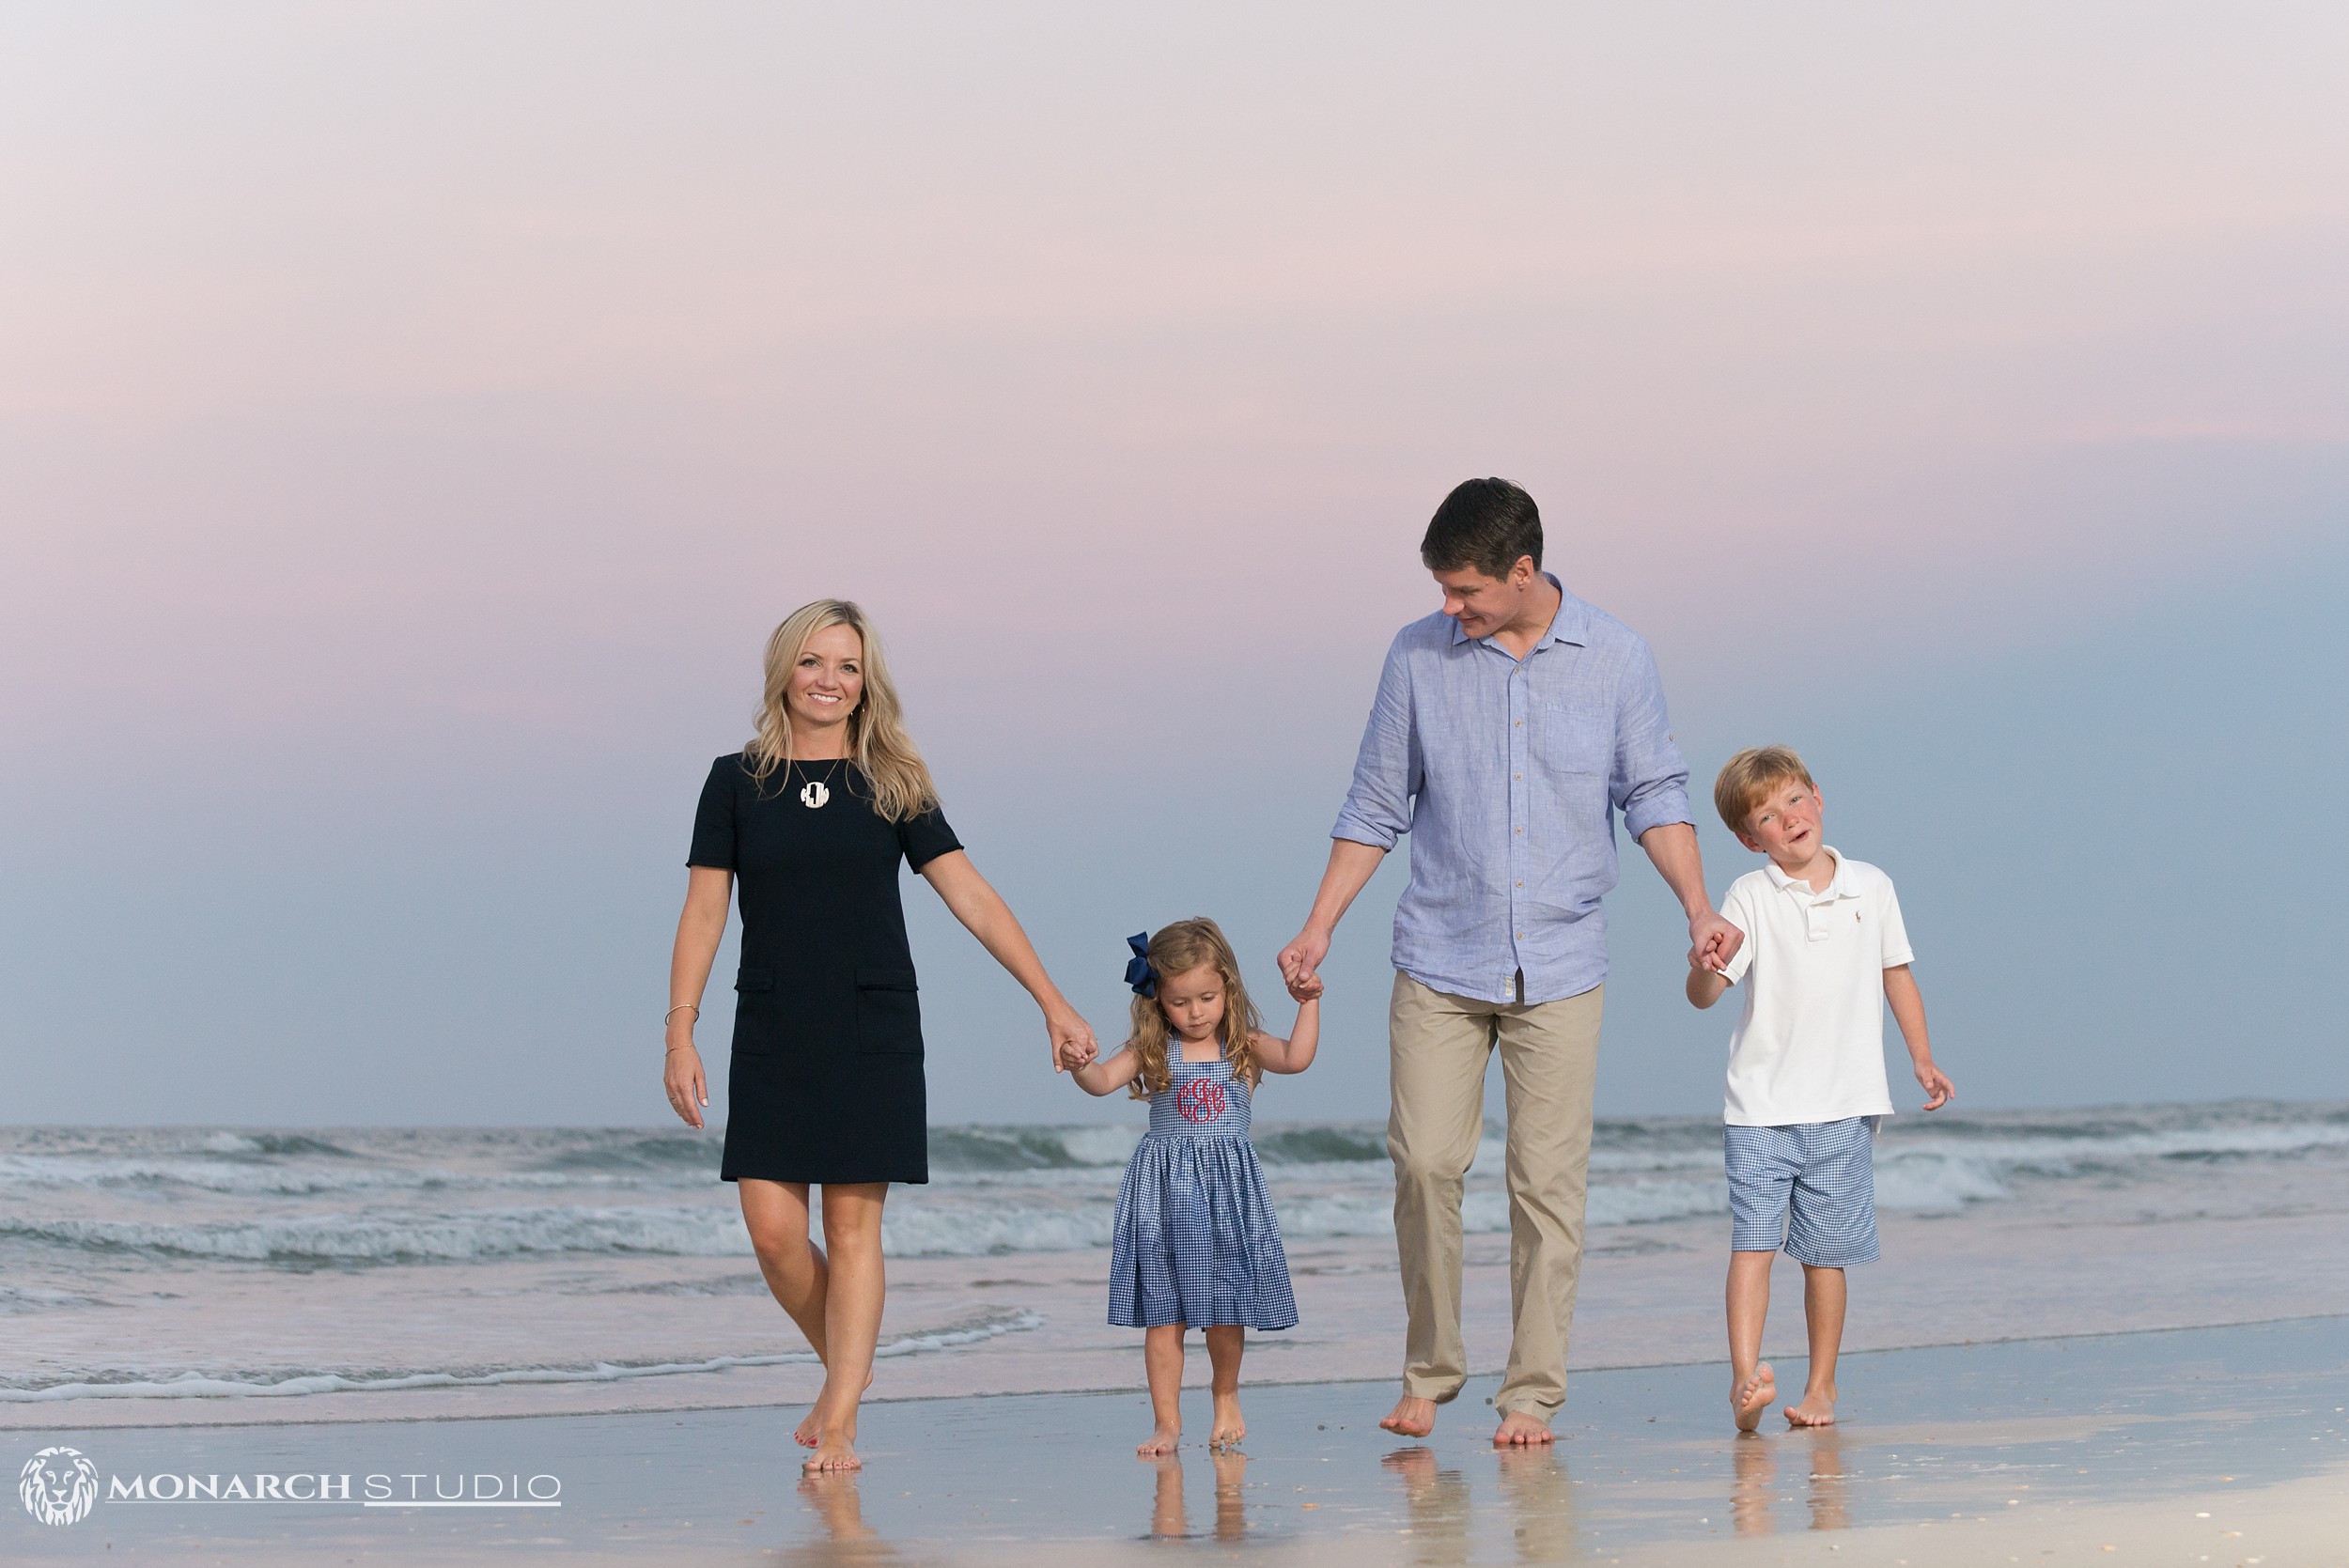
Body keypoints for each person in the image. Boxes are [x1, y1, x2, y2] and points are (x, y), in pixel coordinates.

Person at [1278, 477, 1742, 1448]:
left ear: (1522, 572)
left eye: (1465, 592)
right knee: (1422, 1161)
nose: (1450, 609)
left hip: (1564, 962)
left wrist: (1697, 905)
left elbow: (1653, 792)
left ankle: (1530, 1392)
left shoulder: (1617, 657)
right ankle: (1430, 1370)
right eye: (1444, 591)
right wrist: (1319, 924)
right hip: (1439, 956)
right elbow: (1374, 804)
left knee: (1546, 1184)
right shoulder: (1415, 656)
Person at [661, 598, 1097, 1473]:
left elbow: (968, 892)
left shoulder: (893, 780)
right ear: (784, 668)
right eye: (815, 662)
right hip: (774, 1021)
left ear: (868, 683)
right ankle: (848, 1376)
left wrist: (1050, 998)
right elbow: (706, 908)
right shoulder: (736, 779)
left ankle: (844, 1414)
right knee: (774, 1232)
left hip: (872, 1020)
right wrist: (681, 1029)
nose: (831, 680)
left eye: (849, 666)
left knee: (855, 1230)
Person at [1686, 745, 1954, 1429]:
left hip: (1845, 1103)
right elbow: (1707, 993)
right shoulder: (1749, 894)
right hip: (1760, 1108)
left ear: (1818, 795)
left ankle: (1821, 1387)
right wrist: (1703, 963)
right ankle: (1746, 1380)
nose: (1790, 819)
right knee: (1753, 1243)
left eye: (1795, 800)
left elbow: (1897, 973)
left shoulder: (1872, 884)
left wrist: (1921, 1058)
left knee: (1824, 1255)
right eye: (1769, 817)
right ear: (1751, 839)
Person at [1066, 918, 1320, 1454]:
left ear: (1227, 987)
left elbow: (1297, 1059)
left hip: (1227, 1196)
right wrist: (1078, 1064)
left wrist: (1307, 1001)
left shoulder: (1244, 1047)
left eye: (1207, 997)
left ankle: (1225, 1395)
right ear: (1158, 1001)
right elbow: (1100, 1083)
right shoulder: (1151, 1049)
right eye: (1181, 1002)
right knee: (1164, 1316)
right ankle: (1166, 1422)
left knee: (1225, 1312)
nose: (1196, 1012)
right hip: (1161, 1198)